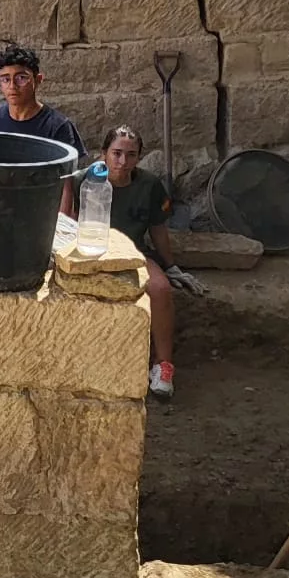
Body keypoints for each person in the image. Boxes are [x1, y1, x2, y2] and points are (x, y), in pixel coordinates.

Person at [90, 126, 204, 400]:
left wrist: (170, 264)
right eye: (116, 153)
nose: (122, 162)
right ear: (103, 154)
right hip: (93, 253)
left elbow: (158, 229)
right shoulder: (88, 181)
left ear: (139, 158)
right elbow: (66, 222)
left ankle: (162, 366)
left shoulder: (149, 185)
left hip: (133, 251)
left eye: (130, 155)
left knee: (161, 289)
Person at [0, 43, 83, 216]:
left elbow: (66, 187)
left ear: (38, 80)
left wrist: (62, 228)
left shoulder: (58, 126)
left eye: (21, 78)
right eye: (5, 79)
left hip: (39, 215)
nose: (12, 86)